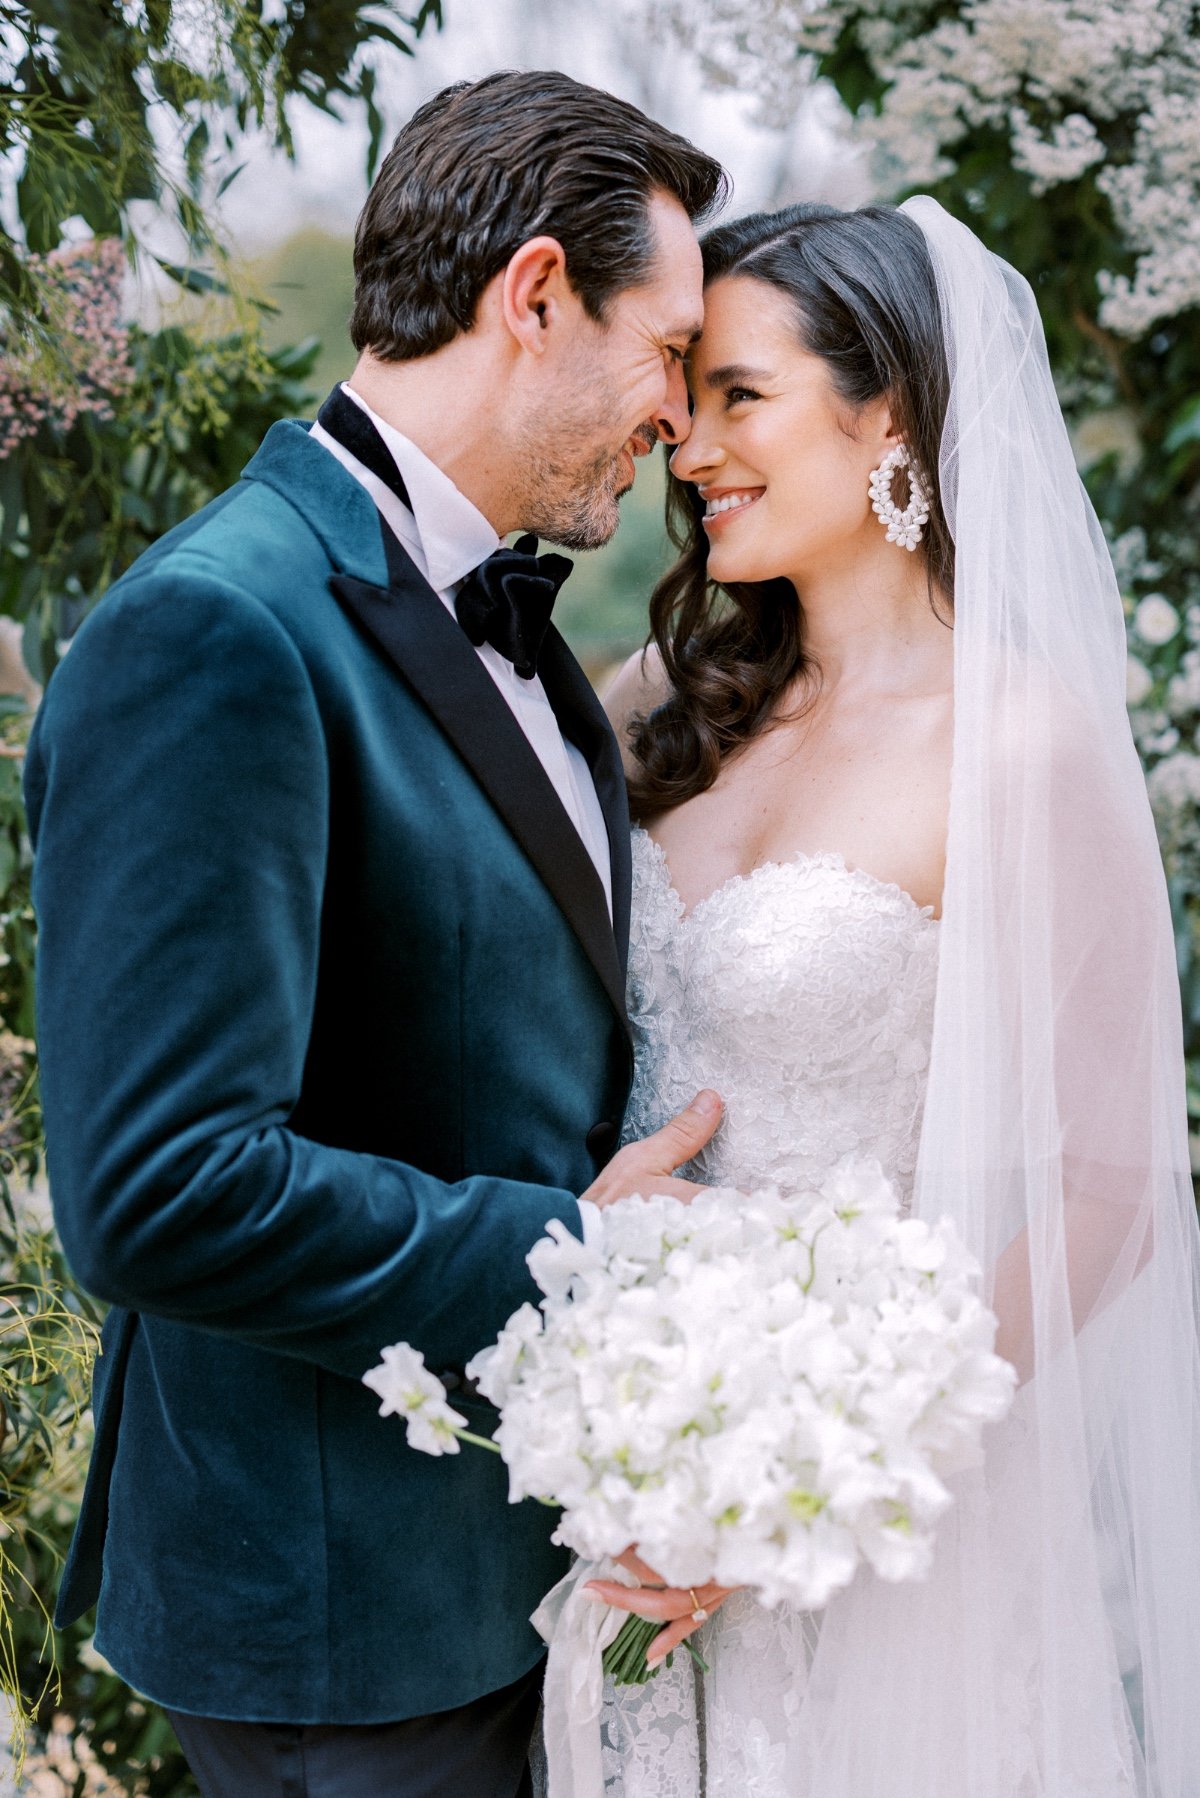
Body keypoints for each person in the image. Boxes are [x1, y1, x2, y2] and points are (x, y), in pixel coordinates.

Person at [25, 72, 730, 1798]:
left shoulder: (516, 629)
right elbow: (160, 1187)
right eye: (672, 350)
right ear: (538, 293)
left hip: (513, 1588)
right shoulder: (216, 629)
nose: (682, 417)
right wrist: (575, 1247)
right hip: (345, 1633)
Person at [580, 199, 1200, 1796]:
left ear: (892, 416)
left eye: (740, 395)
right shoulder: (666, 699)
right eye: (684, 395)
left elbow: (1115, 1189)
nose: (687, 444)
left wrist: (800, 1459)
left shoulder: (1018, 742)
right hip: (631, 1481)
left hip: (872, 1507)